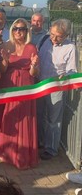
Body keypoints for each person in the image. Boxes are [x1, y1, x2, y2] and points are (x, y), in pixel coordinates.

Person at [0, 18, 39, 170]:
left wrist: (34, 65)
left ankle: (22, 155)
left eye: (22, 29)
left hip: (25, 86)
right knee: (7, 117)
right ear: (12, 31)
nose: (18, 31)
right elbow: (3, 70)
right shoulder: (6, 45)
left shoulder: (31, 47)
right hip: (9, 85)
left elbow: (33, 73)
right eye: (15, 29)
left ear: (27, 31)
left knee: (23, 119)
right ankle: (5, 152)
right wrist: (5, 61)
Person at [37, 18, 77, 160]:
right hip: (40, 85)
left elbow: (72, 70)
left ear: (66, 35)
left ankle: (51, 149)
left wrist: (66, 75)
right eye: (52, 34)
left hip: (56, 88)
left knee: (53, 120)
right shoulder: (44, 40)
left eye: (58, 36)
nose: (53, 38)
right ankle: (39, 142)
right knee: (39, 116)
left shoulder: (70, 47)